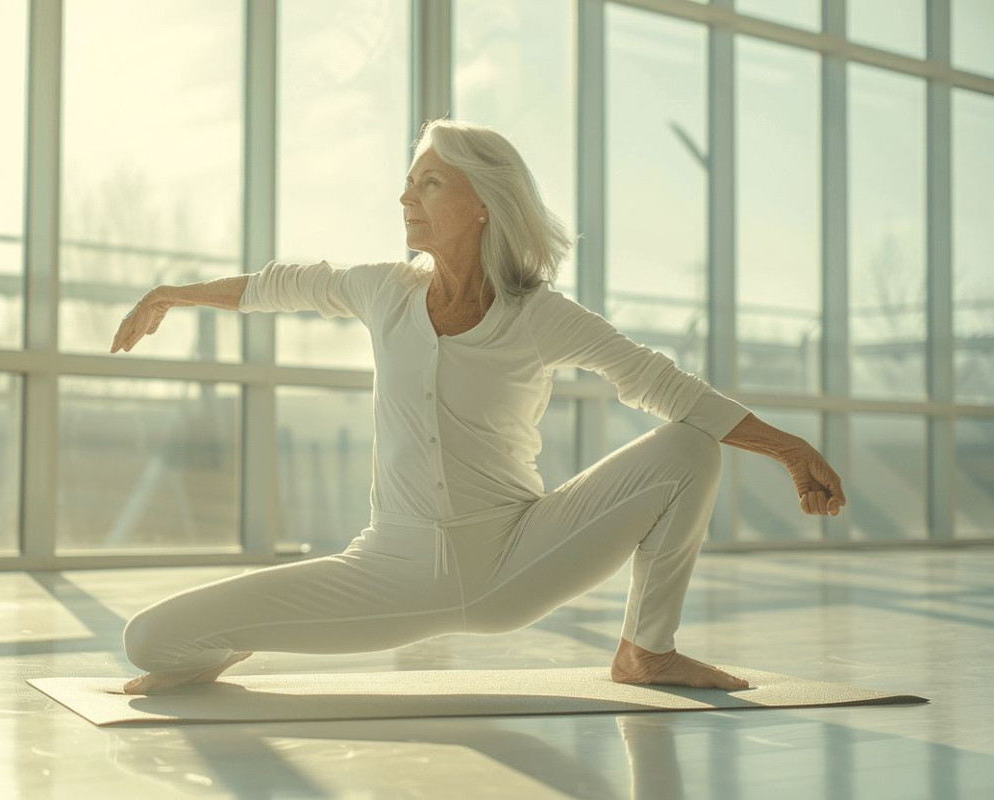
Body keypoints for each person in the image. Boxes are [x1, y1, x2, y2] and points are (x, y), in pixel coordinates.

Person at [108, 119, 847, 696]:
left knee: (689, 448)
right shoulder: (382, 290)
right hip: (388, 569)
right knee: (150, 641)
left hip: (516, 559)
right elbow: (281, 284)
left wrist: (791, 448)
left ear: (484, 204)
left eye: (430, 183)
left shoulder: (538, 316)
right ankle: (247, 629)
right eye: (408, 183)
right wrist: (170, 294)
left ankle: (646, 653)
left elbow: (658, 381)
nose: (406, 198)